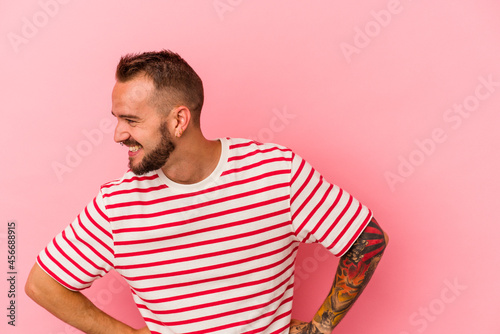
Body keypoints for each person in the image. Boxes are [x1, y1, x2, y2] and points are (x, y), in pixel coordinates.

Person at [25, 50, 389, 334]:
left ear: (179, 120)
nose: (118, 134)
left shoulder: (276, 174)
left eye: (131, 120)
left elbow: (367, 239)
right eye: (117, 119)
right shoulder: (116, 205)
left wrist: (319, 327)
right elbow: (42, 285)